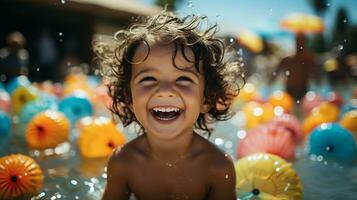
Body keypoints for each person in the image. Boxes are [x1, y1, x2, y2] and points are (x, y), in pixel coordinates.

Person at [94, 10, 244, 200]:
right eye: (148, 78)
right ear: (129, 98)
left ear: (206, 100)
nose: (165, 90)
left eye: (183, 78)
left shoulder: (217, 167)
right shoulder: (123, 162)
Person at [273, 33, 319, 100]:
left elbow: (316, 76)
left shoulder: (308, 59)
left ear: (305, 43)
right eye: (298, 41)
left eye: (302, 41)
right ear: (295, 42)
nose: (300, 44)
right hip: (290, 90)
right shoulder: (288, 58)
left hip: (302, 90)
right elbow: (276, 72)